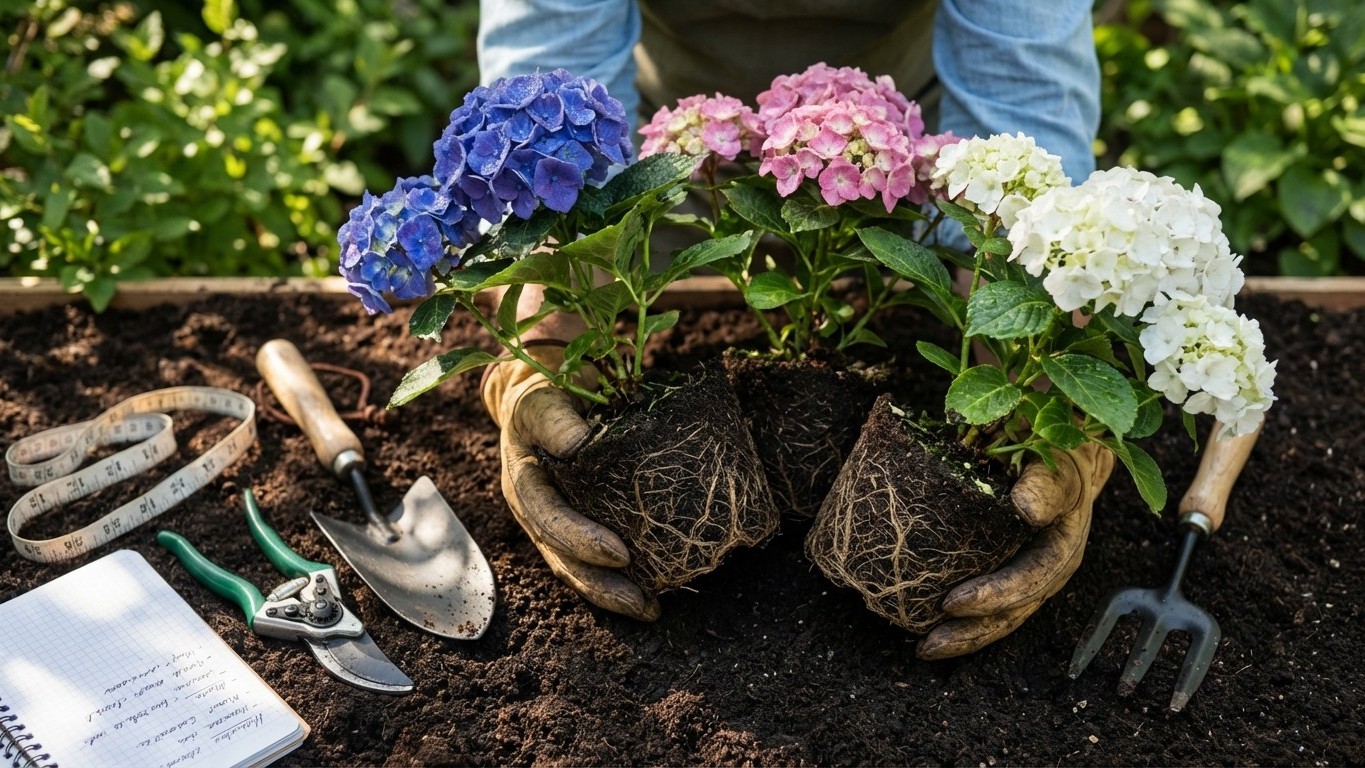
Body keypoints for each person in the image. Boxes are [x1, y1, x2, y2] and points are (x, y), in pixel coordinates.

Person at [476, 0, 1115, 659]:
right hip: (666, 160)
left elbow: (1021, 108)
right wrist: (536, 364)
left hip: (903, 167)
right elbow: (547, 91)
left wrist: (1043, 411)